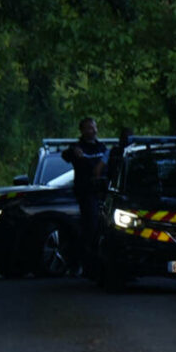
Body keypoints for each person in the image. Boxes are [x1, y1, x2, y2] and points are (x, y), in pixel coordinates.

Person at [62, 117, 108, 274]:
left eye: (94, 127)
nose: (93, 131)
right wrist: (73, 152)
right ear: (82, 130)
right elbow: (66, 155)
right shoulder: (77, 147)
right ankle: (82, 264)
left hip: (103, 194)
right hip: (86, 194)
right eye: (89, 128)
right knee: (90, 228)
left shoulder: (102, 147)